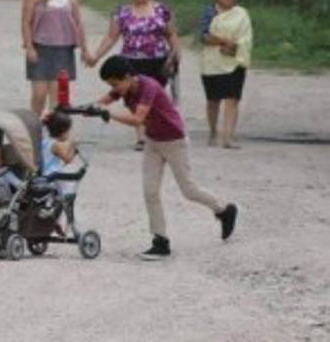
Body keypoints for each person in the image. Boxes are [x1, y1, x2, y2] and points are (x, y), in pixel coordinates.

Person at [96, 55, 238, 260]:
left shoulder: (148, 87)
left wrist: (108, 114)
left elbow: (137, 119)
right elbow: (102, 101)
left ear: (128, 77)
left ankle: (224, 210)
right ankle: (160, 241)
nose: (115, 89)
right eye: (112, 85)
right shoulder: (124, 88)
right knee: (150, 192)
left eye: (116, 84)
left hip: (174, 142)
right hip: (153, 142)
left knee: (189, 190)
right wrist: (84, 108)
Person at [89, 0, 180, 150]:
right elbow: (111, 36)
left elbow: (171, 34)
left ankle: (156, 131)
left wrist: (175, 53)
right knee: (133, 97)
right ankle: (141, 137)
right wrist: (97, 55)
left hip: (157, 60)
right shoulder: (122, 12)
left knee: (153, 96)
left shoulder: (162, 9)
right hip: (131, 61)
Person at [22, 0, 89, 113]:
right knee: (39, 94)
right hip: (40, 48)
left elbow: (78, 24)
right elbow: (26, 22)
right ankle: (35, 126)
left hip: (63, 50)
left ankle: (54, 130)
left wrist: (85, 50)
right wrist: (29, 47)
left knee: (57, 96)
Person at [200, 0, 253, 149]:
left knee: (232, 98)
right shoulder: (209, 12)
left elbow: (247, 37)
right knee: (213, 100)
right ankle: (213, 132)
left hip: (235, 60)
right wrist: (225, 41)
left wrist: (236, 45)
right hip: (212, 62)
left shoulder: (242, 14)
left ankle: (228, 136)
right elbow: (204, 36)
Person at [40, 109, 79, 200]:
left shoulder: (45, 141)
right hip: (51, 176)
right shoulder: (56, 144)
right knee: (69, 184)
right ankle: (65, 200)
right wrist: (72, 144)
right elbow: (68, 159)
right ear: (63, 131)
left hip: (42, 172)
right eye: (68, 131)